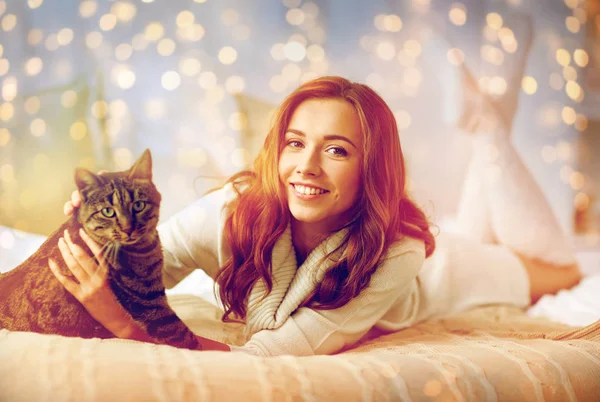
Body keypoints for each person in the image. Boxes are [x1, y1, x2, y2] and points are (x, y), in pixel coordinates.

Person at [49, 74, 582, 356]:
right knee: (483, 218)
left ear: (369, 168)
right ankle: (488, 131)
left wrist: (125, 327)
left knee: (563, 268)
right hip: (439, 243)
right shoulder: (230, 213)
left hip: (446, 273)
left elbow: (266, 359)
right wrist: (86, 231)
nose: (305, 167)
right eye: (295, 142)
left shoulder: (400, 251)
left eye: (336, 150)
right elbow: (135, 270)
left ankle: (489, 128)